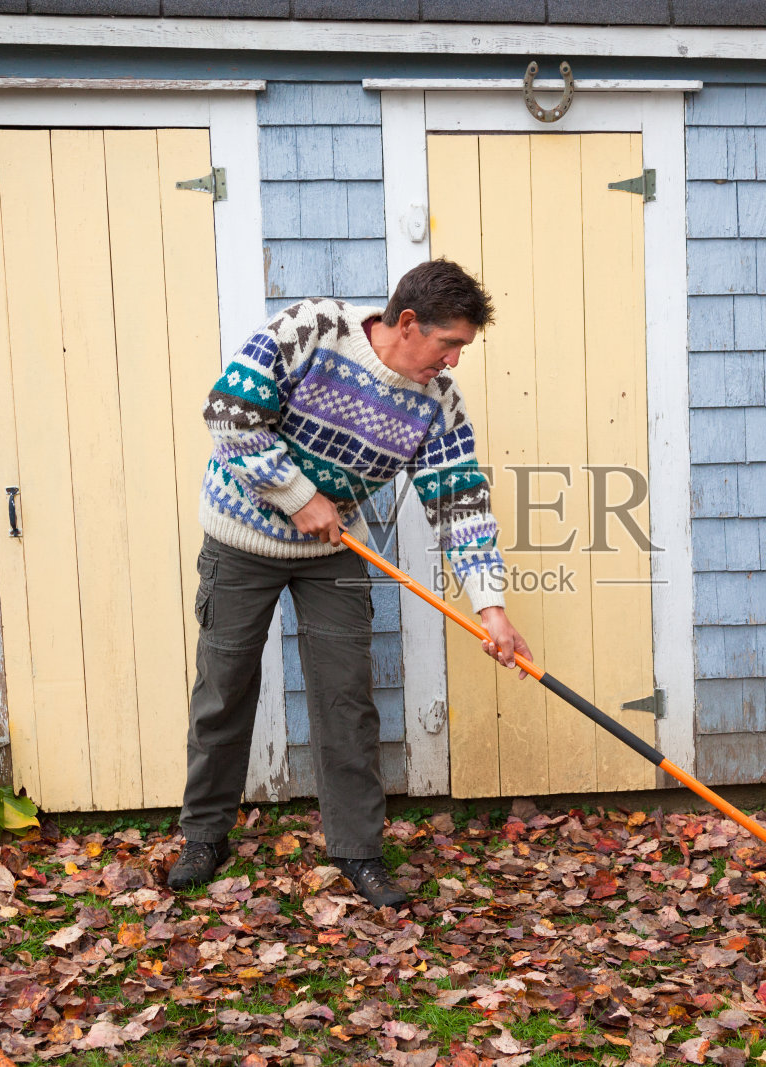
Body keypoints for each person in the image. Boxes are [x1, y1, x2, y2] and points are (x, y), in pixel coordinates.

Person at [167, 259, 531, 907]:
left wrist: (491, 607)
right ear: (408, 322)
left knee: (347, 701)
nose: (453, 361)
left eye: (462, 349)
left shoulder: (436, 401)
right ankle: (204, 836)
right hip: (240, 535)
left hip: (332, 549)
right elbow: (228, 413)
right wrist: (298, 495)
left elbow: (459, 501)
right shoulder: (311, 330)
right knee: (224, 689)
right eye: (449, 344)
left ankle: (358, 850)